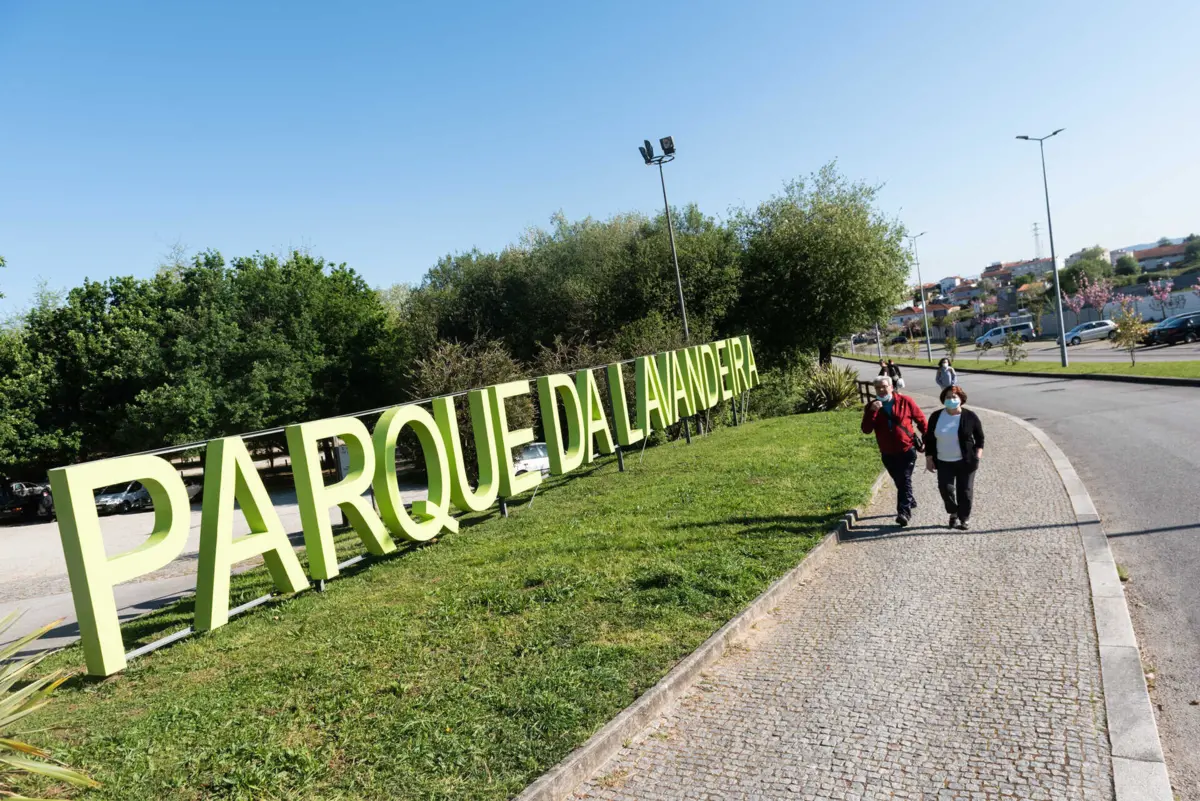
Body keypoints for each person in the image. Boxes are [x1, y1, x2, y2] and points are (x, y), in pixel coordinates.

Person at [861, 375, 927, 527]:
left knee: (904, 479)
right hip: (887, 452)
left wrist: (926, 439)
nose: (882, 390)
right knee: (899, 480)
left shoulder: (905, 401)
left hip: (907, 448)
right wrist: (872, 411)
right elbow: (866, 429)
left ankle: (903, 513)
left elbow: (921, 420)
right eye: (878, 387)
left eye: (884, 386)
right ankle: (909, 499)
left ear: (891, 387)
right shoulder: (872, 406)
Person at [924, 385, 985, 530]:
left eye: (954, 397)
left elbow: (980, 439)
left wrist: (977, 457)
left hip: (966, 461)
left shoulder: (970, 416)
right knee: (946, 489)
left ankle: (964, 519)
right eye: (948, 397)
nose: (951, 399)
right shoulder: (936, 416)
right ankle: (953, 512)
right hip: (944, 461)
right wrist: (929, 458)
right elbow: (930, 439)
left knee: (965, 491)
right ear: (943, 400)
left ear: (961, 399)